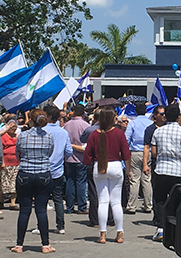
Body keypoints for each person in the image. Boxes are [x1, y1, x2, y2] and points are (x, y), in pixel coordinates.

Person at [83, 108, 130, 243]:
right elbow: (126, 154)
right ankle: (119, 233)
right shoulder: (119, 133)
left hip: (100, 166)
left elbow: (87, 156)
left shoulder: (94, 134)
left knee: (102, 201)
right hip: (115, 166)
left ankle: (102, 234)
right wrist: (128, 170)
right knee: (116, 202)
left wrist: (91, 163)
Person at [12, 108, 55, 254]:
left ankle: (19, 244)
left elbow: (18, 153)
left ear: (30, 119)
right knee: (41, 209)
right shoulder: (49, 136)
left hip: (25, 172)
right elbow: (50, 153)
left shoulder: (22, 136)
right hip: (43, 173)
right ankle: (46, 244)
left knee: (24, 210)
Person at [150, 103, 181, 242]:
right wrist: (179, 157)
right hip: (178, 170)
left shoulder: (158, 131)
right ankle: (176, 229)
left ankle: (161, 228)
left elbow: (154, 152)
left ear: (165, 116)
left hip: (161, 169)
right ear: (178, 116)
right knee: (177, 199)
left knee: (160, 199)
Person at [43, 105, 73, 234]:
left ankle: (41, 225)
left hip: (43, 168)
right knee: (58, 199)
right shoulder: (63, 132)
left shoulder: (42, 130)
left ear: (48, 116)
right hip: (58, 169)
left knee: (42, 199)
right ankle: (60, 226)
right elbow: (69, 151)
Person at [124, 102, 152, 214]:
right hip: (148, 151)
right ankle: (148, 205)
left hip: (135, 151)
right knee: (146, 179)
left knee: (134, 180)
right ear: (146, 111)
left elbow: (127, 139)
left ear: (136, 112)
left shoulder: (132, 123)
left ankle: (131, 206)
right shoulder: (150, 123)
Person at [63, 105, 90, 214]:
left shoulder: (66, 125)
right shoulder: (86, 125)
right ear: (84, 113)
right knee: (81, 182)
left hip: (69, 157)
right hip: (81, 157)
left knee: (70, 181)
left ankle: (69, 207)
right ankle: (81, 206)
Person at [0, 119, 19, 209]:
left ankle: (13, 203)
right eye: (11, 126)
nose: (13, 128)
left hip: (16, 163)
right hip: (5, 163)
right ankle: (1, 202)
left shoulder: (18, 136)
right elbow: (0, 150)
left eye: (14, 126)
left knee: (14, 183)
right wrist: (2, 162)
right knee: (3, 184)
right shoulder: (3, 136)